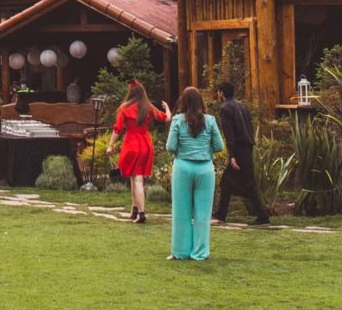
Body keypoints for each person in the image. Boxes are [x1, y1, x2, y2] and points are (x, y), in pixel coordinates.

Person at [165, 86, 226, 261]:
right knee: (203, 213)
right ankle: (200, 252)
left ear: (183, 102)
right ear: (201, 102)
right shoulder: (210, 121)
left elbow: (170, 147)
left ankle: (181, 251)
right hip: (205, 168)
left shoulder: (177, 120)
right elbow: (220, 146)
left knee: (181, 211)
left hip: (183, 167)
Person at [112, 79, 172, 224]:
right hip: (145, 144)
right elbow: (166, 118)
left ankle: (141, 213)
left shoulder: (124, 108)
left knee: (136, 179)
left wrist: (110, 145)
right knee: (135, 178)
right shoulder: (148, 107)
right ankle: (134, 210)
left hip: (131, 144)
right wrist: (167, 108)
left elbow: (117, 129)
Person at [212, 80, 271, 225]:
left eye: (218, 91)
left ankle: (262, 215)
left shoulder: (225, 108)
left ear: (222, 93)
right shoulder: (241, 106)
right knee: (228, 182)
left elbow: (229, 133)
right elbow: (249, 127)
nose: (218, 94)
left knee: (245, 183)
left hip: (238, 149)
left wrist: (232, 155)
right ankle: (221, 214)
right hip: (247, 146)